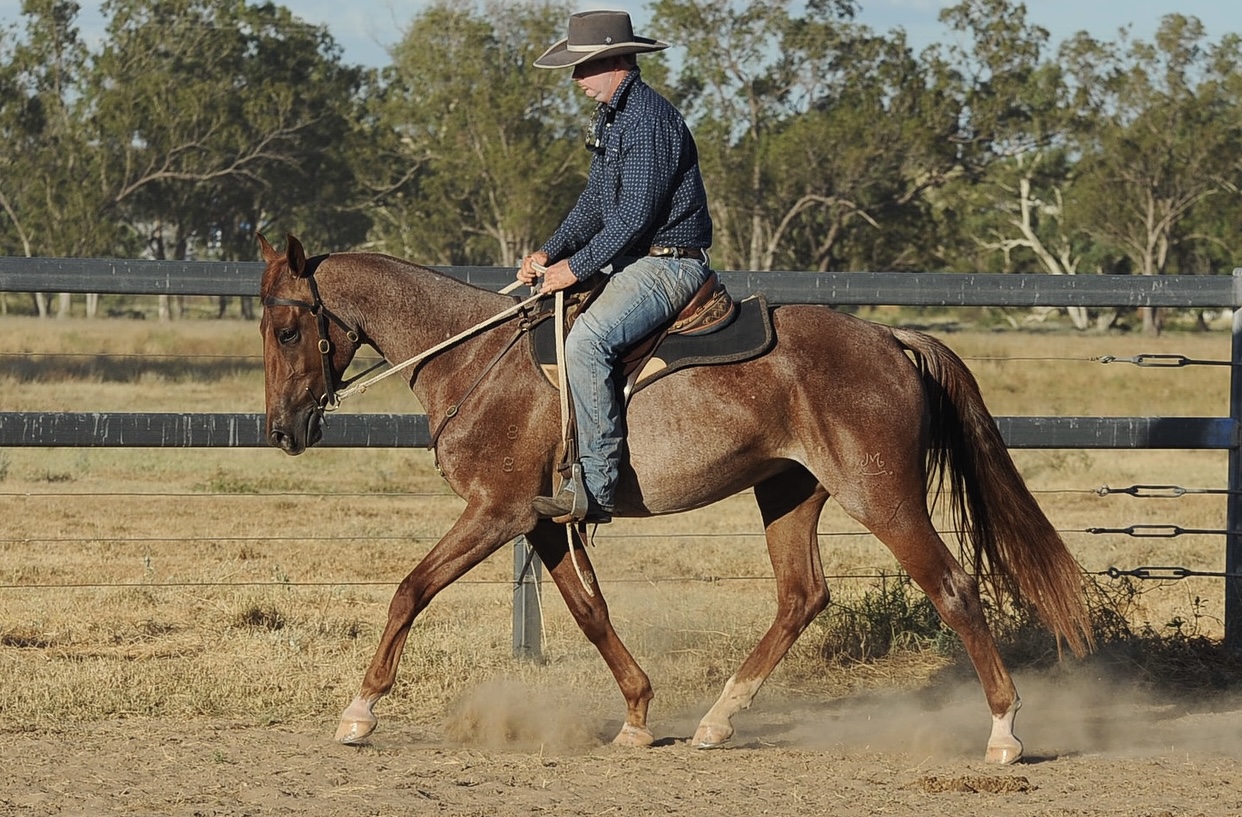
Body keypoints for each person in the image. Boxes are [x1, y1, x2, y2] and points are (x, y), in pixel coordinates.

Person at [518, 9, 714, 524]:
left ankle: (596, 486)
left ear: (613, 61)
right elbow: (595, 203)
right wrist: (548, 252)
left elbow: (634, 216)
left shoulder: (648, 119)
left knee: (586, 343)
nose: (576, 78)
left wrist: (574, 268)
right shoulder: (614, 117)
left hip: (668, 266)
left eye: (583, 67)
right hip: (636, 263)